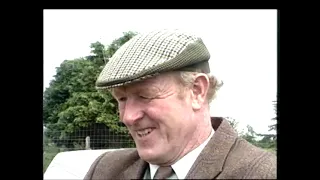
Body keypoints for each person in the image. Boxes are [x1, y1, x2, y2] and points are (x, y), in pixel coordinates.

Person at [84, 29, 277, 179]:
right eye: (122, 99)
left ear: (197, 91)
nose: (128, 117)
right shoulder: (104, 170)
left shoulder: (264, 173)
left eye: (145, 96)